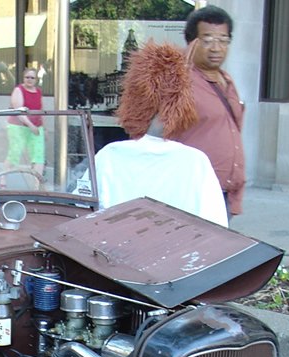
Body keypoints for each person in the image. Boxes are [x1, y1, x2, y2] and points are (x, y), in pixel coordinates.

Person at [97, 41, 227, 226]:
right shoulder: (196, 163)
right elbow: (217, 228)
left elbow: (83, 213)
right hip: (180, 251)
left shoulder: (109, 156)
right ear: (181, 106)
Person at [164, 5, 245, 220]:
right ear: (192, 42)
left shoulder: (226, 80)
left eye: (223, 40)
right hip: (194, 192)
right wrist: (180, 65)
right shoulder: (181, 81)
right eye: (208, 40)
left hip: (225, 192)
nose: (216, 48)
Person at [4, 67, 45, 184]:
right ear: (23, 78)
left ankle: (37, 184)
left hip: (37, 127)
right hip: (18, 127)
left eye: (32, 78)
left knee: (38, 156)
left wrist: (43, 128)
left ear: (36, 79)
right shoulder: (18, 90)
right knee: (15, 153)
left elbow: (41, 110)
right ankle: (3, 179)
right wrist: (30, 125)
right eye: (27, 77)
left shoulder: (38, 92)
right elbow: (19, 111)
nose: (29, 80)